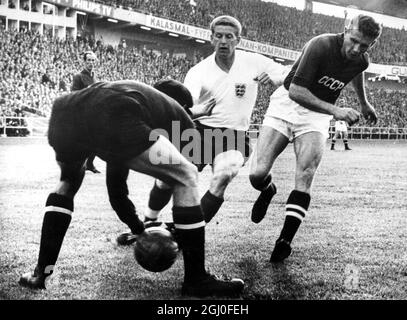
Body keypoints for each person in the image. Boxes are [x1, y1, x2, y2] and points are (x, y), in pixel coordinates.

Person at [18, 80, 244, 297]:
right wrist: (145, 229)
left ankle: (41, 272)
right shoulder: (180, 121)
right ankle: (196, 280)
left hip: (66, 109)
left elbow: (116, 190)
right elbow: (168, 179)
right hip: (114, 109)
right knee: (187, 175)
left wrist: (137, 228)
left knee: (67, 184)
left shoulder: (139, 97)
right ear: (185, 106)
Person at [249, 14, 381, 263]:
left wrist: (364, 103)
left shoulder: (362, 60)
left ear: (371, 45)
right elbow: (296, 90)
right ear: (345, 30)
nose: (356, 49)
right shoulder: (320, 44)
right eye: (353, 41)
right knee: (257, 174)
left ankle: (285, 240)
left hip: (317, 116)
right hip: (287, 105)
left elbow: (357, 69)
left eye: (364, 46)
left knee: (306, 173)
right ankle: (268, 190)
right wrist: (336, 110)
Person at [137, 15, 288, 227]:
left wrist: (277, 78)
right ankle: (147, 223)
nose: (223, 41)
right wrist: (195, 110)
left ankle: (185, 232)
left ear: (238, 40)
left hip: (233, 135)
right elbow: (185, 104)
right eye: (218, 36)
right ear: (211, 39)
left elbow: (290, 72)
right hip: (198, 132)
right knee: (167, 178)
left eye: (229, 36)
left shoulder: (254, 62)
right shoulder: (199, 72)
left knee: (223, 175)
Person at [71, 50, 100, 174]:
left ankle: (90, 163)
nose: (91, 63)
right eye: (89, 60)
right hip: (83, 113)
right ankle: (78, 164)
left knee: (96, 140)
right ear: (84, 62)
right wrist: (87, 91)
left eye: (93, 60)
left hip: (94, 113)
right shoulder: (78, 76)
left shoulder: (95, 76)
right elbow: (73, 93)